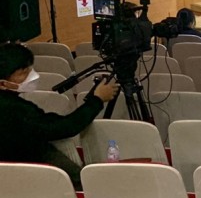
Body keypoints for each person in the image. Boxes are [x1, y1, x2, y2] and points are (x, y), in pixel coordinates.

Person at [0, 42, 119, 188]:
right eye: (23, 73)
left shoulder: (16, 106)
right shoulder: (15, 110)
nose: (31, 75)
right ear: (3, 83)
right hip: (29, 176)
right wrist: (97, 100)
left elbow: (43, 121)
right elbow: (64, 128)